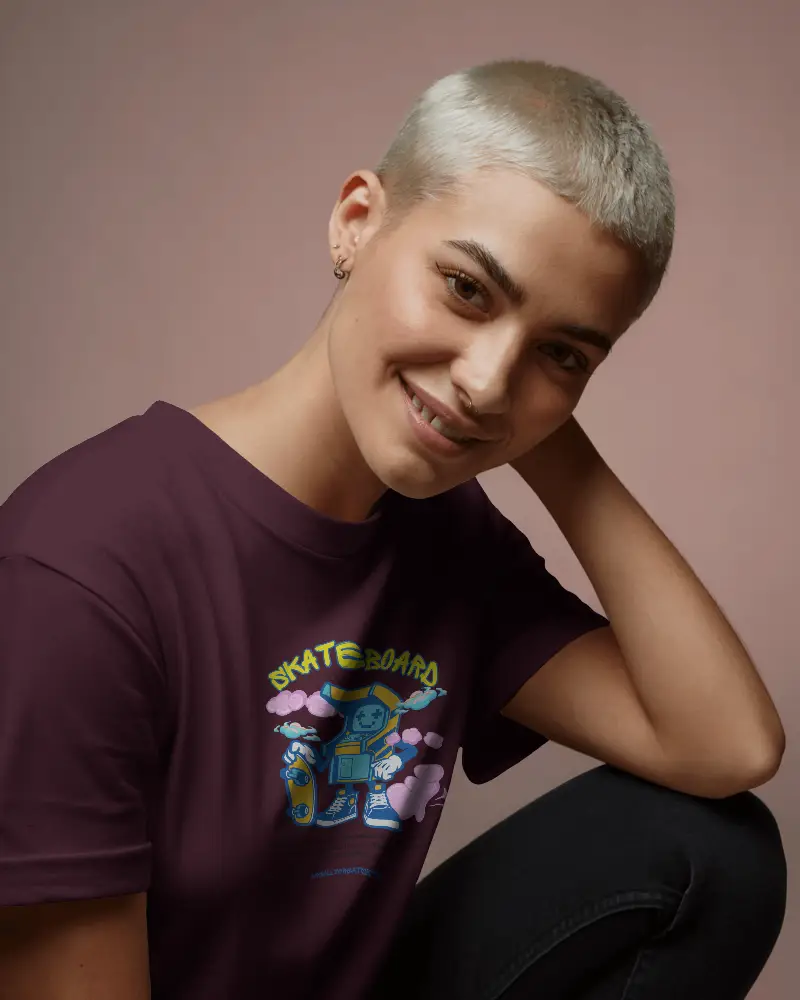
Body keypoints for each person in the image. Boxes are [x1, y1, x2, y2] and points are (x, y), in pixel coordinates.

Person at [0, 58, 787, 1000]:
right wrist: (516, 386)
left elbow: (725, 747)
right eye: (466, 288)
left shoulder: (443, 537)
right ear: (356, 222)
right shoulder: (75, 572)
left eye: (563, 353)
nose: (490, 376)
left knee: (713, 853)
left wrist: (534, 430)